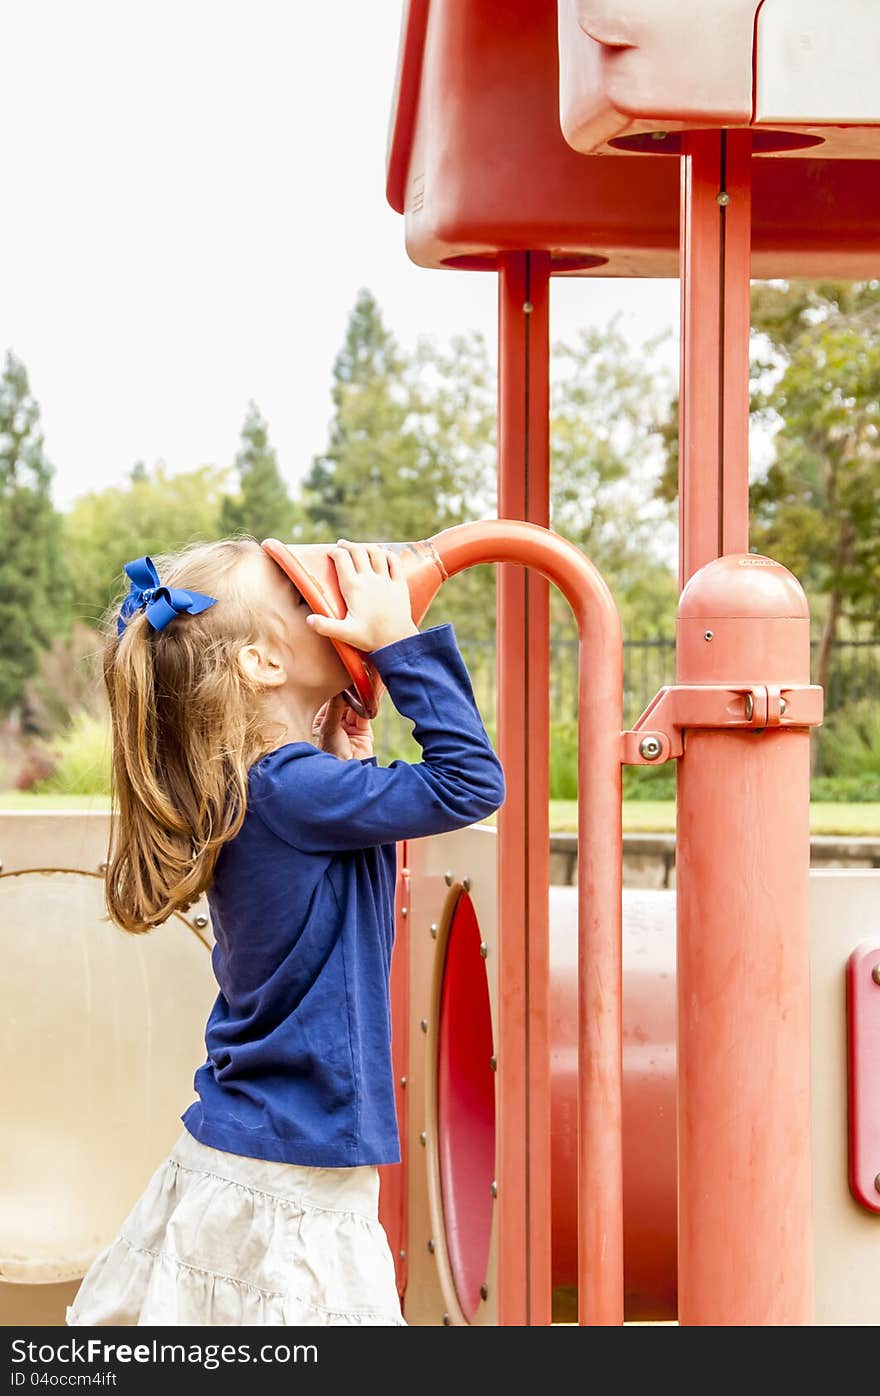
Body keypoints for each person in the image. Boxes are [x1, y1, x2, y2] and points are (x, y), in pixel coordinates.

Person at [64, 535, 505, 1327]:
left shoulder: (263, 787)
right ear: (263, 664)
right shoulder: (293, 792)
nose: (331, 604)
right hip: (294, 1161)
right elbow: (472, 781)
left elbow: (330, 901)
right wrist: (399, 643)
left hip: (255, 1144)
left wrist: (345, 756)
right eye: (306, 601)